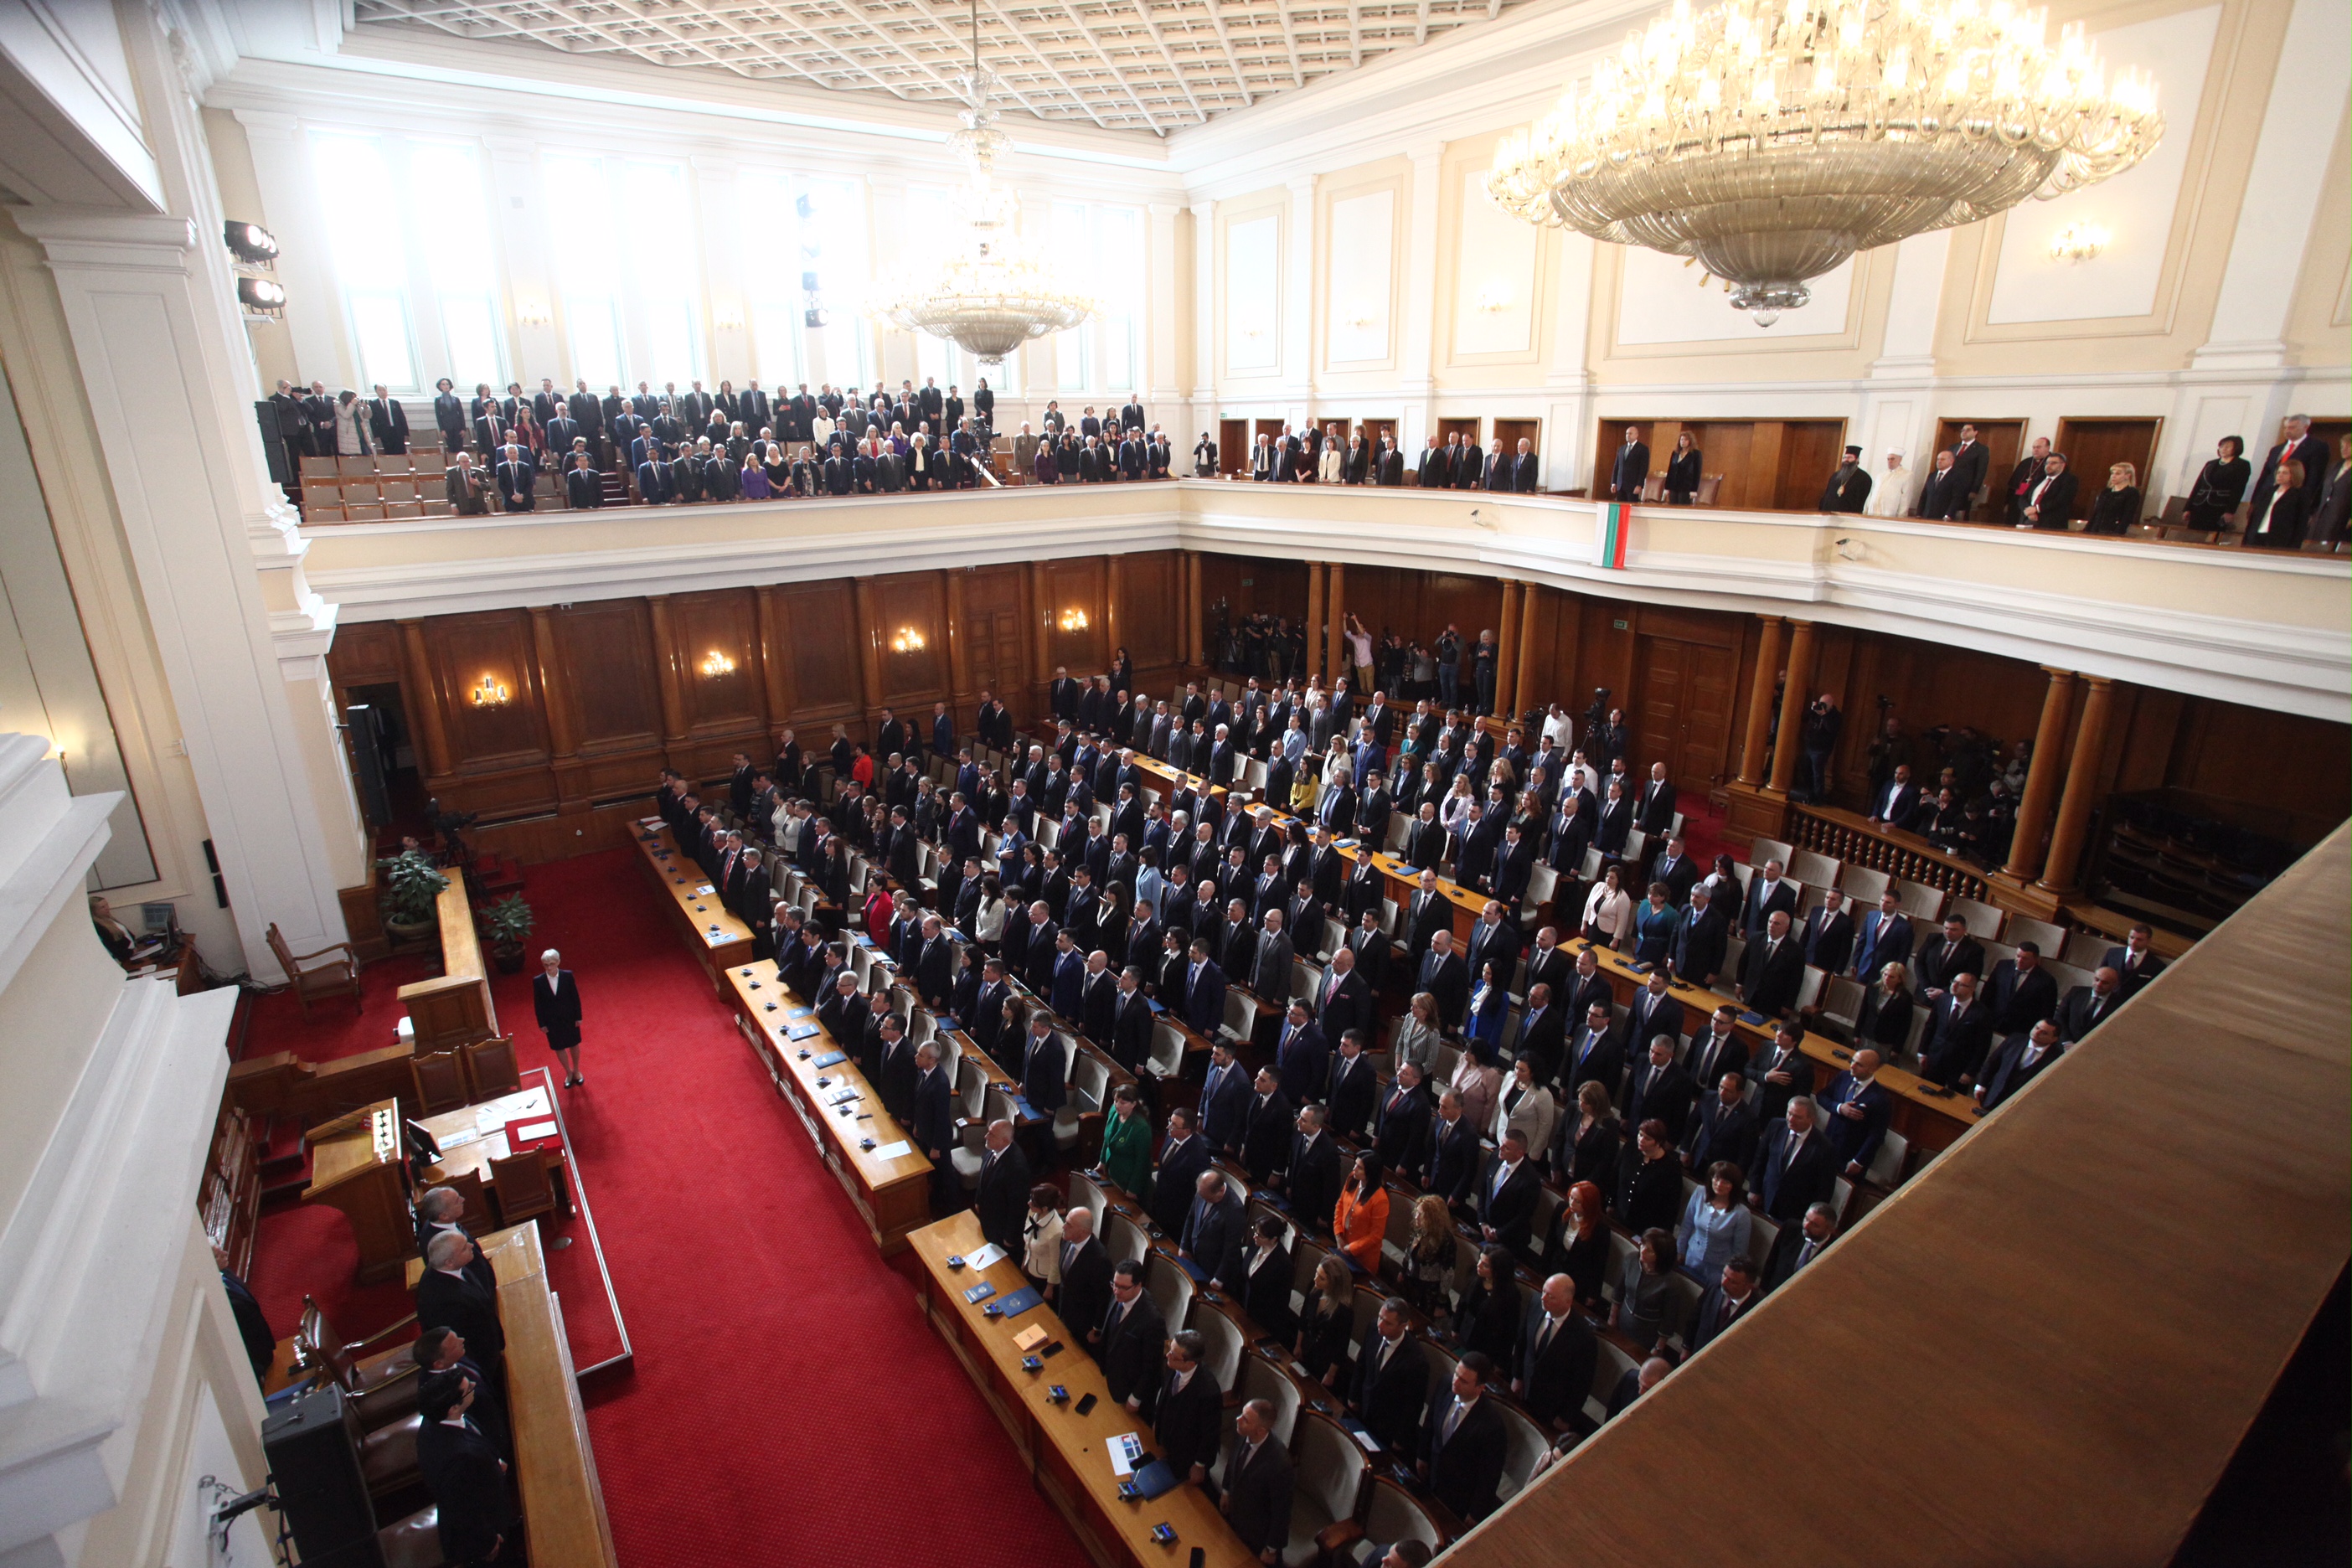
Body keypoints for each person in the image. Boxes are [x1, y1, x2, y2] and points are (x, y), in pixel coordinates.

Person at [415, 1369, 517, 1565]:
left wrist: (492, 1461)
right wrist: (488, 1542)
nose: (473, 1386)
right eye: (468, 1388)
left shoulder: (434, 1422)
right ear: (453, 1408)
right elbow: (465, 1511)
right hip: (486, 1525)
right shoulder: (460, 1458)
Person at [1419, 1352, 1507, 1520]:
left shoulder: (1492, 1425)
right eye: (1456, 1374)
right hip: (1431, 1477)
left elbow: (1489, 1476)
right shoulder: (1445, 1384)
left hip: (1457, 1497)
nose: (1455, 1382)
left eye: (1464, 1381)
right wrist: (1422, 1456)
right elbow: (1430, 1421)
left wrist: (1474, 1513)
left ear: (1481, 1387)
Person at [415, 1230, 505, 1379]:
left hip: (491, 1345)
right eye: (464, 1248)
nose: (471, 1246)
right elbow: (463, 1345)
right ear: (449, 1262)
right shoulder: (444, 1301)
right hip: (481, 1364)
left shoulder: (452, 1268)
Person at [1514, 1273, 1598, 1429]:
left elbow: (1581, 1384)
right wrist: (1517, 1376)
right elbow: (1522, 1342)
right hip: (1524, 1389)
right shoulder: (1535, 1303)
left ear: (1568, 1301)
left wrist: (1566, 1417)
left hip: (1551, 1407)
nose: (1543, 1298)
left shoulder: (1584, 1338)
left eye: (1551, 1296)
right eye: (1544, 1291)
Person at [1222, 1399, 1295, 1564]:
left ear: (1260, 1431)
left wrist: (1271, 1548)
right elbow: (1232, 1462)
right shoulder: (1242, 1432)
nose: (1237, 1419)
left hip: (1256, 1533)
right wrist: (1226, 1491)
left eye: (1245, 1419)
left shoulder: (1280, 1465)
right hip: (1235, 1516)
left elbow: (1281, 1513)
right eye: (1242, 1414)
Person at [1354, 1296, 1426, 1453]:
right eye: (1380, 1317)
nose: (1380, 1324)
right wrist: (1353, 1397)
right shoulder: (1373, 1328)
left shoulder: (1416, 1360)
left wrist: (1400, 1439)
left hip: (1387, 1426)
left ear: (1403, 1326)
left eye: (1388, 1323)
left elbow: (1413, 1405)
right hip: (1363, 1410)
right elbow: (1362, 1363)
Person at [1154, 1330, 1225, 1491]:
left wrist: (1199, 1465)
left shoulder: (1209, 1393)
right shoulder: (1173, 1365)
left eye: (1173, 1354)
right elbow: (1164, 1396)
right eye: (1170, 1350)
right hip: (1166, 1440)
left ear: (1190, 1364)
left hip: (1186, 1454)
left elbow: (1210, 1435)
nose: (1168, 1356)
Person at [1678, 1159, 1753, 1277]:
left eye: (1726, 1182)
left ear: (1734, 1185)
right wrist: (1680, 1251)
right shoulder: (1699, 1192)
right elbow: (1687, 1225)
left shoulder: (1742, 1213)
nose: (1719, 1184)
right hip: (1692, 1257)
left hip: (1718, 1268)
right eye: (1716, 1179)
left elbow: (1739, 1251)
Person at [1610, 1227, 1679, 1352]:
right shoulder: (1631, 1259)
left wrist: (1659, 1347)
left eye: (1650, 1250)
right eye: (1642, 1245)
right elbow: (1618, 1291)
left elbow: (1669, 1319)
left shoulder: (1670, 1282)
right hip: (1623, 1320)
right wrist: (1612, 1317)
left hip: (1646, 1334)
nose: (1643, 1250)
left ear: (1661, 1255)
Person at [1456, 1245, 1522, 1364]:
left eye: (1485, 1265)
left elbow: (1509, 1332)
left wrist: (1499, 1362)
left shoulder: (1510, 1296)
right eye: (1480, 1260)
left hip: (1487, 1347)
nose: (1479, 1265)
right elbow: (1462, 1302)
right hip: (1466, 1333)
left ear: (1498, 1270)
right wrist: (1455, 1328)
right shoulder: (1475, 1275)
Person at [973, 1120, 1033, 1254]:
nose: (986, 1137)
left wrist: (1010, 1237)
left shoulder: (1017, 1169)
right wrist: (978, 1200)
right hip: (988, 1217)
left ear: (1005, 1141)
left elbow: (1018, 1207)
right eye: (988, 1132)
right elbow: (983, 1176)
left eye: (991, 1134)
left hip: (1001, 1225)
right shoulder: (991, 1148)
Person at [1296, 1257, 1355, 1388]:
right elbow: (1304, 1316)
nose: (1316, 1279)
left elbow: (1341, 1346)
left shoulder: (1344, 1310)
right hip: (1307, 1348)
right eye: (1317, 1273)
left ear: (1334, 1283)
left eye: (1322, 1278)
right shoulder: (1314, 1287)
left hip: (1324, 1361)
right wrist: (1298, 1344)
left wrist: (1331, 1374)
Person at [1761, 1199, 1838, 1292]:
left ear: (1829, 1230)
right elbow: (1771, 1263)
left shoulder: (1836, 1249)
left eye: (1814, 1225)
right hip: (1774, 1291)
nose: (1806, 1226)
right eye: (1806, 1219)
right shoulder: (1790, 1229)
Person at [1689, 1257, 1763, 1351]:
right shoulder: (1714, 1283)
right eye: (1724, 1275)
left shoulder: (1759, 1308)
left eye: (1732, 1282)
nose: (1724, 1283)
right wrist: (1686, 1347)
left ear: (1749, 1286)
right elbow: (1696, 1316)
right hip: (1698, 1351)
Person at [1333, 1151, 1389, 1272]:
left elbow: (1376, 1235)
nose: (1354, 1169)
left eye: (1360, 1168)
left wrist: (1351, 1248)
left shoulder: (1380, 1199)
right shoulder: (1352, 1179)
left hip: (1363, 1257)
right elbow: (1340, 1205)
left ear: (1370, 1173)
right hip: (1343, 1243)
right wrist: (1338, 1234)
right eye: (1355, 1164)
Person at [2184, 435, 2251, 531]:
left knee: (2213, 535)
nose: (2223, 449)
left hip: (2220, 507)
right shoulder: (2211, 464)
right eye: (2222, 446)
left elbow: (2238, 489)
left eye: (2228, 447)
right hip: (2200, 504)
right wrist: (2188, 508)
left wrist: (2230, 511)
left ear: (2236, 448)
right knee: (2193, 533)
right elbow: (2198, 485)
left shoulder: (2242, 465)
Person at [1097, 1083, 1153, 1194]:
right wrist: (1102, 1161)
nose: (1117, 1105)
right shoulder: (1114, 1111)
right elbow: (1107, 1139)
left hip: (1126, 1176)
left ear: (1133, 1104)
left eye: (1123, 1103)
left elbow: (1142, 1162)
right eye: (1116, 1101)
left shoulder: (1141, 1128)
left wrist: (1133, 1189)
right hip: (1110, 1167)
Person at [1021, 1183, 1065, 1293]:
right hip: (1029, 1267)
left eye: (1033, 1202)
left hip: (1042, 1277)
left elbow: (1056, 1263)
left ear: (1044, 1208)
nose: (1029, 1203)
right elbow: (1029, 1239)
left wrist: (1050, 1288)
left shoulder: (1056, 1231)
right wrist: (1025, 1261)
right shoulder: (1032, 1211)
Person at [2017, 451, 2078, 529]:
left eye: (2053, 463)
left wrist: (2037, 509)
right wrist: (2028, 511)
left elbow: (2061, 500)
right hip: (2027, 520)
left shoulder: (2069, 480)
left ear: (2063, 465)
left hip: (2050, 523)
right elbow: (2023, 498)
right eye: (2047, 463)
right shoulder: (2039, 479)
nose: (2048, 466)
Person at [2085, 461, 2143, 535]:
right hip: (2096, 529)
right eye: (2112, 473)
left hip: (2113, 530)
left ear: (2127, 476)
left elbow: (2128, 516)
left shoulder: (2131, 493)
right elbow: (2096, 513)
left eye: (2118, 474)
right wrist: (2087, 530)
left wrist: (2117, 533)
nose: (2113, 476)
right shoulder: (2106, 492)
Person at [1818, 443, 1872, 512]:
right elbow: (1827, 496)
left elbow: (1860, 502)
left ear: (1857, 460)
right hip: (1829, 514)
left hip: (1848, 516)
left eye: (1850, 457)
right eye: (1844, 457)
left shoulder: (1864, 478)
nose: (1846, 460)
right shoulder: (1835, 476)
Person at [1610, 426, 1649, 501]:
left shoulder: (1643, 449)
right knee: (1620, 508)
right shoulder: (1621, 449)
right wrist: (1613, 483)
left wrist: (1639, 485)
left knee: (1631, 509)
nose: (1628, 435)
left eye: (1630, 433)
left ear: (1636, 435)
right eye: (1626, 433)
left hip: (1633, 486)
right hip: (1620, 485)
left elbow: (1643, 468)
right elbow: (1617, 467)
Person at [1663, 430, 1702, 503]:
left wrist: (1694, 490)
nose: (1683, 442)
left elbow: (1697, 472)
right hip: (1673, 486)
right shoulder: (1675, 453)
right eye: (1681, 439)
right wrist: (1667, 487)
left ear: (1690, 441)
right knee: (1672, 508)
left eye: (1685, 440)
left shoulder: (1696, 454)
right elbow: (1670, 470)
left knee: (1682, 507)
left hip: (1686, 487)